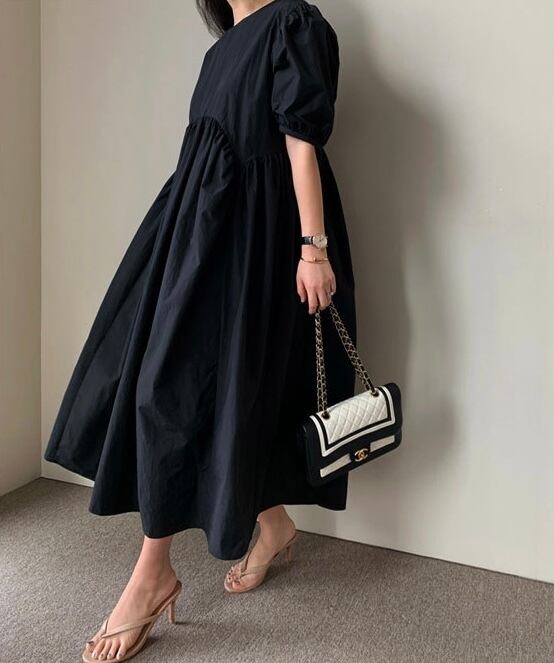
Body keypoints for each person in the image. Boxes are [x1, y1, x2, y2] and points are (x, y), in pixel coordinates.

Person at [43, 0, 357, 660]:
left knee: (191, 389)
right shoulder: (219, 51)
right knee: (181, 386)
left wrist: (313, 248)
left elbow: (300, 144)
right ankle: (273, 526)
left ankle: (151, 573)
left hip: (256, 241)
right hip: (197, 235)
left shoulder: (293, 22)